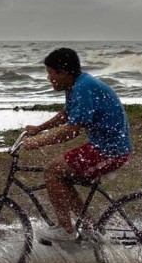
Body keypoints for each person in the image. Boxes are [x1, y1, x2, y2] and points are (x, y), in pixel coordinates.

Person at [22, 48, 133, 244]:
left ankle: (66, 230)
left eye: (50, 73)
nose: (49, 78)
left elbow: (73, 129)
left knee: (53, 171)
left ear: (63, 73)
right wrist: (38, 129)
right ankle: (90, 227)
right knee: (61, 175)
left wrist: (39, 141)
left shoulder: (83, 87)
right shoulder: (75, 85)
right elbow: (66, 114)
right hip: (101, 146)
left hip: (111, 150)